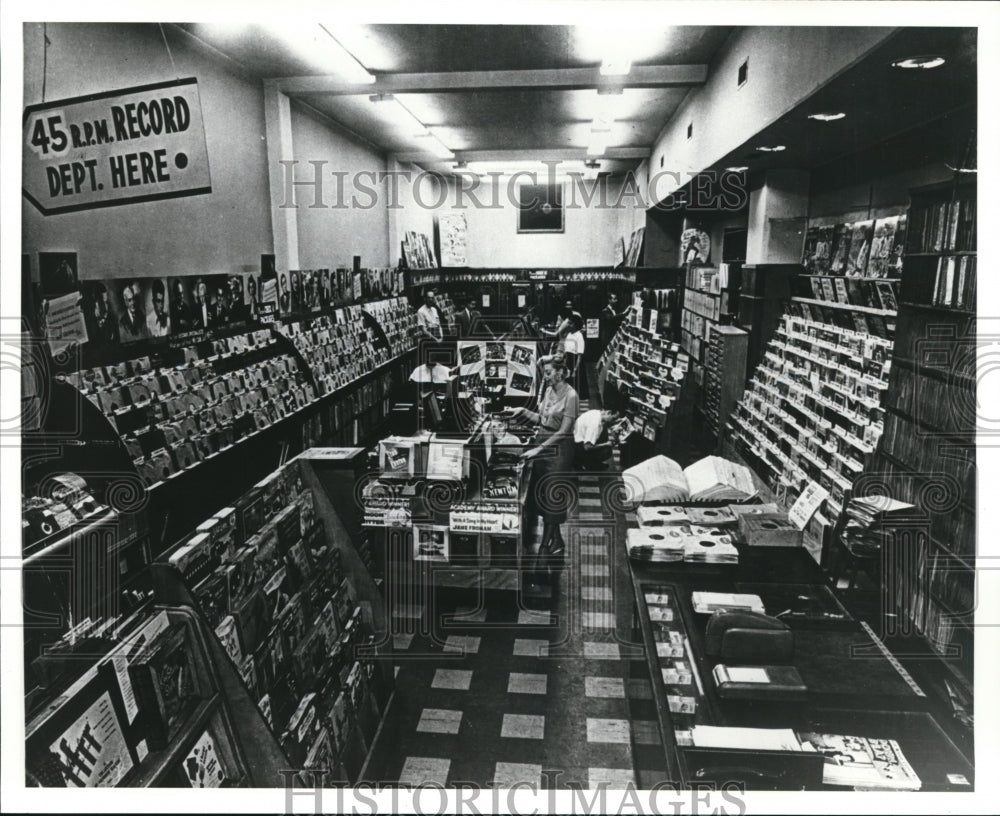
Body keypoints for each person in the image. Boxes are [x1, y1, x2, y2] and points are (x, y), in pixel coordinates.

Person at [511, 354, 579, 576]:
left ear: (560, 372)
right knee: (545, 498)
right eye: (544, 374)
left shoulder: (572, 396)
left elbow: (564, 431)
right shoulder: (549, 391)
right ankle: (557, 542)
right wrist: (522, 412)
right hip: (542, 443)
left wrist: (538, 450)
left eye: (548, 373)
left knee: (553, 495)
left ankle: (543, 550)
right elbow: (542, 420)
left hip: (559, 450)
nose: (546, 378)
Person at [562, 312, 586, 397]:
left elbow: (580, 356)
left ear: (575, 325)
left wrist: (575, 370)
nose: (568, 325)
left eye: (570, 323)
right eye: (568, 323)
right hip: (569, 361)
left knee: (576, 384)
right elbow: (566, 349)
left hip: (575, 363)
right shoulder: (569, 334)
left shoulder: (579, 336)